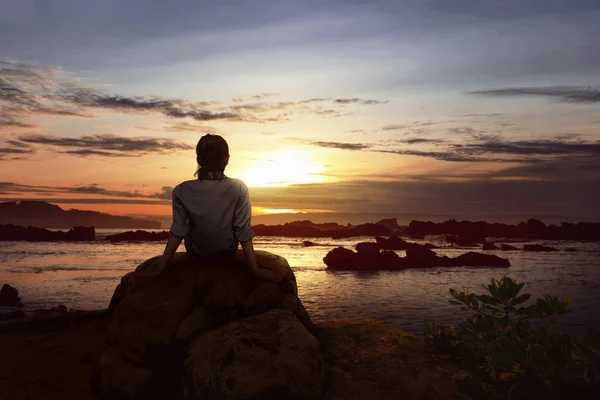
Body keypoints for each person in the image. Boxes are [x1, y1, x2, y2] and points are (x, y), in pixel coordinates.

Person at [150, 134, 283, 281]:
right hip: (227, 254)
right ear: (227, 159)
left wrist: (161, 266)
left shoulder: (182, 190)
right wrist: (255, 269)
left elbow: (178, 231)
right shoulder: (238, 188)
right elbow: (242, 230)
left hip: (197, 254)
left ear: (198, 160)